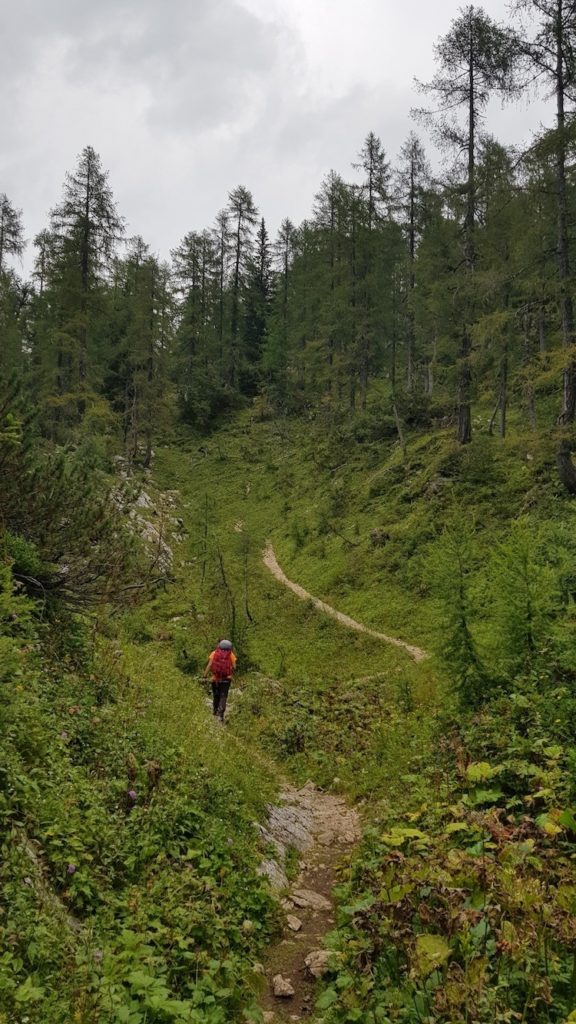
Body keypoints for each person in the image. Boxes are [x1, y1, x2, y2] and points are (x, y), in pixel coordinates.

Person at [203, 639, 236, 721]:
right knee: (223, 696)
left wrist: (204, 675)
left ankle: (214, 712)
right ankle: (220, 715)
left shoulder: (214, 653)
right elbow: (234, 667)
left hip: (215, 679)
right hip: (227, 679)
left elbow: (210, 665)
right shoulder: (231, 654)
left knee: (216, 695)